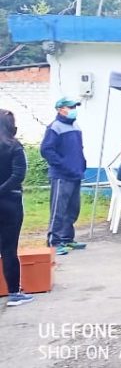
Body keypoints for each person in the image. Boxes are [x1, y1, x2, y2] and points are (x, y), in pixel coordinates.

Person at [40, 97, 87, 256]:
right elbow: (46, 150)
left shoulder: (75, 126)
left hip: (75, 173)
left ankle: (67, 238)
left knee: (73, 208)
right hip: (61, 175)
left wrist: (81, 164)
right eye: (71, 106)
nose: (74, 109)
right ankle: (54, 242)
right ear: (60, 109)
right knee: (58, 210)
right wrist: (62, 165)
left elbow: (78, 148)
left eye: (75, 106)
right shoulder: (55, 127)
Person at [0, 109, 33, 306]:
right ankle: (14, 292)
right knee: (9, 248)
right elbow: (18, 175)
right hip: (10, 202)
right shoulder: (14, 147)